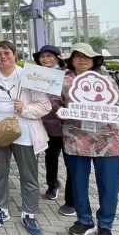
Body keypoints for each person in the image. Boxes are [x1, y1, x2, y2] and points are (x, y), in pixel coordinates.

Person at [0, 41, 50, 235]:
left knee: (29, 175)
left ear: (15, 55)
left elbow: (44, 105)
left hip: (25, 134)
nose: (3, 57)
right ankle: (1, 209)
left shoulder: (28, 76)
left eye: (7, 53)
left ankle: (29, 213)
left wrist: (25, 109)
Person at [62, 43, 119, 235]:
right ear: (71, 59)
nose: (82, 60)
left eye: (86, 57)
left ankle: (106, 226)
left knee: (109, 186)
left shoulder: (105, 79)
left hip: (107, 139)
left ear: (94, 60)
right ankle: (84, 220)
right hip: (76, 138)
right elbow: (53, 103)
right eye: (77, 56)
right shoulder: (63, 80)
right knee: (78, 182)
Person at [33, 45, 76, 215]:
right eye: (42, 56)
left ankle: (71, 199)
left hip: (66, 125)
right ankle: (52, 185)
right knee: (50, 158)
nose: (45, 59)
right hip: (46, 125)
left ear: (58, 58)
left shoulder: (67, 76)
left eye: (50, 56)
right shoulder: (35, 76)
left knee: (70, 162)